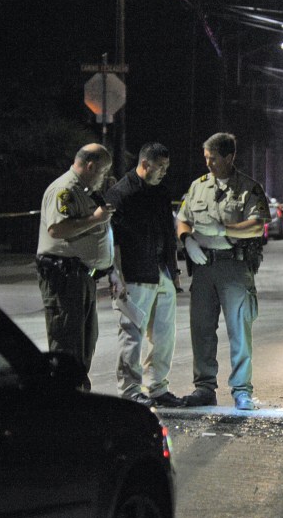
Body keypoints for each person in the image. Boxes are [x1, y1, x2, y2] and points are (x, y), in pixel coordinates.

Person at [176, 132, 270, 410]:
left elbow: (257, 224)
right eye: (206, 158)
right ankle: (204, 387)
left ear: (230, 158)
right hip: (204, 267)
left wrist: (224, 230)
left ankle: (242, 390)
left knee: (239, 331)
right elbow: (183, 219)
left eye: (213, 159)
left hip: (235, 267)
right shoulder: (198, 187)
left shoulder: (248, 189)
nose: (208, 164)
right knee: (202, 329)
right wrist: (187, 240)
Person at [104, 142, 184, 408]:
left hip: (160, 272)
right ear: (145, 164)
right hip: (135, 274)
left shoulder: (161, 193)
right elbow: (110, 238)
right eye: (160, 167)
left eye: (166, 168)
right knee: (132, 335)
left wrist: (174, 272)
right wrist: (115, 274)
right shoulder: (121, 193)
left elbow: (168, 234)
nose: (163, 172)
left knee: (164, 335)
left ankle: (158, 387)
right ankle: (129, 390)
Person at [35, 143, 116, 391]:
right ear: (90, 166)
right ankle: (64, 401)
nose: (103, 178)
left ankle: (77, 395)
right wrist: (95, 219)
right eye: (102, 172)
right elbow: (57, 229)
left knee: (84, 344)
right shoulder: (65, 189)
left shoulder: (85, 190)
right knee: (67, 345)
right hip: (65, 277)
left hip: (83, 277)